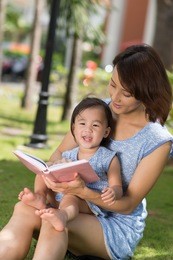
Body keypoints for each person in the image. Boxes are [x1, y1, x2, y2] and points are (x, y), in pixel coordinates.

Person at [0, 44, 173, 260]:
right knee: (24, 210)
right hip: (71, 203)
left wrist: (83, 192)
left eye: (126, 93)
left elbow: (127, 205)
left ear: (147, 91)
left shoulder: (157, 141)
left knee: (55, 222)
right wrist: (52, 176)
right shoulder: (97, 112)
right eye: (113, 85)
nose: (115, 98)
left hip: (112, 223)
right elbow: (58, 154)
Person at [19, 97, 123, 232]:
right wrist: (50, 167)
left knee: (71, 197)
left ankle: (63, 216)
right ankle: (40, 197)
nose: (88, 129)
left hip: (88, 201)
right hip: (61, 196)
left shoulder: (108, 158)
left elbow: (117, 186)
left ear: (106, 132)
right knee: (43, 174)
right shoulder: (69, 154)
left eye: (95, 125)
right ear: (74, 128)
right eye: (82, 124)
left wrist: (113, 192)